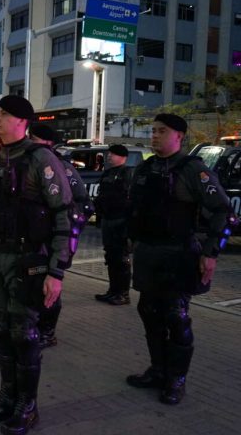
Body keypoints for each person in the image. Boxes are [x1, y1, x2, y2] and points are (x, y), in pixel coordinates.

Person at [0, 96, 73, 434]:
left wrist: (56, 271)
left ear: (21, 121)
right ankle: (6, 398)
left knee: (23, 332)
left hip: (26, 257)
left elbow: (64, 215)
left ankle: (26, 407)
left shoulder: (41, 158)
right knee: (1, 327)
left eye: (3, 115)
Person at [126, 113, 234, 405]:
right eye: (153, 130)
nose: (155, 135)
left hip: (179, 255)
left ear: (179, 137)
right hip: (149, 253)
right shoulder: (146, 168)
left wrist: (211, 252)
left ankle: (177, 379)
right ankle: (158, 370)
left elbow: (224, 212)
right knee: (149, 312)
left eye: (162, 131)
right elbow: (134, 209)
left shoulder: (193, 170)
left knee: (176, 316)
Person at [28, 122, 93, 349]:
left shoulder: (61, 166)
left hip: (55, 239)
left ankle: (48, 332)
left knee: (49, 284)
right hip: (36, 238)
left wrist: (70, 233)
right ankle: (36, 327)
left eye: (32, 139)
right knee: (34, 284)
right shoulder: (30, 162)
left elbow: (84, 204)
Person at [93, 144, 134, 306]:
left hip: (121, 221)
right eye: (109, 154)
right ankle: (113, 291)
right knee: (110, 257)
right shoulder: (108, 173)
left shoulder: (127, 173)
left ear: (122, 156)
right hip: (108, 220)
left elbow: (129, 200)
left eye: (113, 154)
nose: (109, 156)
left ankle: (123, 293)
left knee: (121, 258)